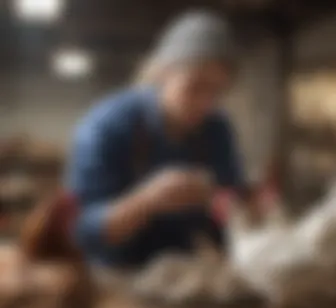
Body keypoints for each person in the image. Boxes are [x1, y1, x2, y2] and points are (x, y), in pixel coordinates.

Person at [66, 10, 244, 267]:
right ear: (163, 73)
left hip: (182, 270)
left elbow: (231, 199)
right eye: (194, 87)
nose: (206, 104)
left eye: (217, 92)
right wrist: (147, 200)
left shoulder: (217, 128)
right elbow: (79, 230)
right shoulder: (106, 126)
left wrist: (223, 200)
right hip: (114, 276)